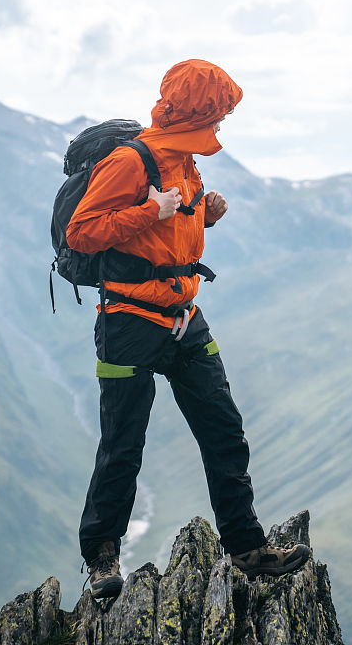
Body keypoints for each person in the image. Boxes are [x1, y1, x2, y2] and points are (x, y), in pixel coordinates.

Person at [68, 59, 310, 599]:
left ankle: (246, 549)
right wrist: (147, 213)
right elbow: (83, 232)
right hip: (127, 321)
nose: (221, 128)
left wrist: (206, 215)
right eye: (218, 117)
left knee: (224, 430)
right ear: (198, 113)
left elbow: (172, 236)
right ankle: (103, 559)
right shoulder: (133, 163)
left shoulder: (184, 163)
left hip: (184, 320)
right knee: (123, 444)